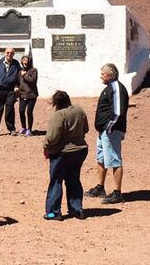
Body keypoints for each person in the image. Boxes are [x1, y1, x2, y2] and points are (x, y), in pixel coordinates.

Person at [42, 90, 89, 220]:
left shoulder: (58, 115)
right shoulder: (79, 110)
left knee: (56, 181)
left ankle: (54, 212)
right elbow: (86, 129)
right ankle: (77, 209)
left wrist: (46, 146)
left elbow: (52, 137)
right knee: (74, 179)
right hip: (80, 150)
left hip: (62, 153)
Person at [86, 63, 128, 204]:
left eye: (103, 74)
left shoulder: (116, 88)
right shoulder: (110, 88)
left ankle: (117, 193)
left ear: (110, 75)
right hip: (104, 131)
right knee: (101, 158)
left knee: (114, 159)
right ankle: (100, 187)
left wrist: (109, 128)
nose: (101, 76)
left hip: (111, 131)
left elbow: (118, 112)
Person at [0, 47, 21, 137]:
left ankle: (11, 129)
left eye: (11, 53)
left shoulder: (16, 64)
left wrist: (17, 85)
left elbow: (19, 76)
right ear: (5, 53)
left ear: (14, 54)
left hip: (10, 90)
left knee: (10, 109)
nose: (9, 54)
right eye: (7, 52)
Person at [17, 54, 39, 136]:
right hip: (22, 94)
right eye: (23, 61)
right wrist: (16, 87)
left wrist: (24, 75)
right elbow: (17, 81)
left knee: (29, 112)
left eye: (26, 61)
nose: (25, 63)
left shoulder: (33, 70)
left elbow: (33, 81)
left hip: (31, 95)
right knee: (21, 111)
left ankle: (29, 129)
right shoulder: (20, 71)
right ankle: (23, 127)